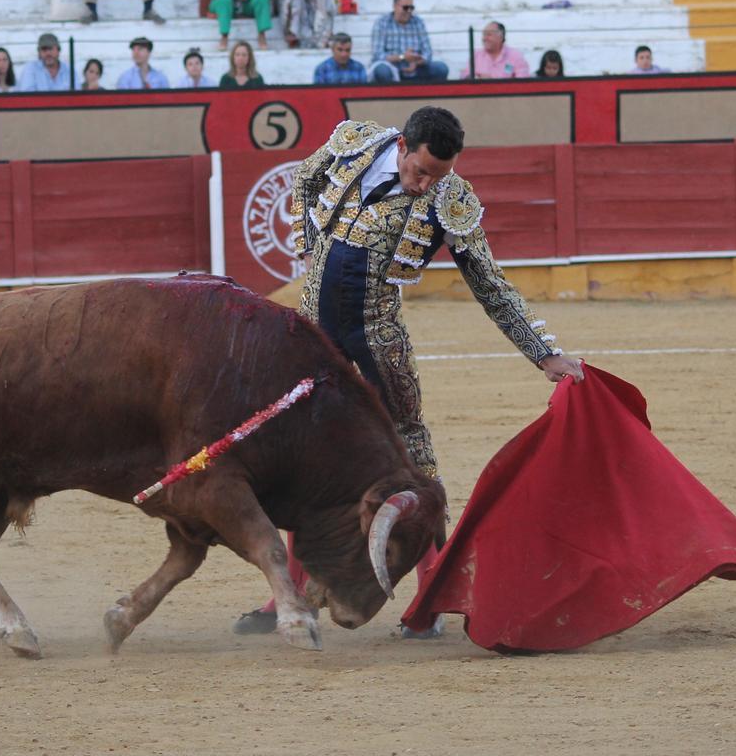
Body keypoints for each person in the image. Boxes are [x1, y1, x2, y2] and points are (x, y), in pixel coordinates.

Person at [231, 107, 583, 636]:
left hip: (378, 334)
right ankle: (288, 596)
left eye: (436, 176)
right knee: (300, 456)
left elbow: (489, 283)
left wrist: (543, 352)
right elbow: (305, 178)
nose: (425, 186)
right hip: (313, 333)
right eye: (420, 172)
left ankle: (431, 602)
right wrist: (310, 246)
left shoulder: (450, 198)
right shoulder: (355, 144)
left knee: (411, 459)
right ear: (402, 146)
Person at [369, 0, 448, 84]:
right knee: (382, 71)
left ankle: (432, 97)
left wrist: (416, 62)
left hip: (417, 69)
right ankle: (390, 98)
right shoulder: (382, 23)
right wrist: (402, 57)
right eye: (405, 8)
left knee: (441, 68)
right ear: (395, 6)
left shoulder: (418, 22)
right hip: (392, 69)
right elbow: (377, 55)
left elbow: (428, 53)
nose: (409, 11)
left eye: (411, 8)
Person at [461, 21, 529, 79]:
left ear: (500, 37)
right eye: (484, 35)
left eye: (489, 35)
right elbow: (464, 76)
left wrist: (494, 83)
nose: (484, 38)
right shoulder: (476, 55)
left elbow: (523, 80)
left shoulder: (515, 56)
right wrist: (478, 78)